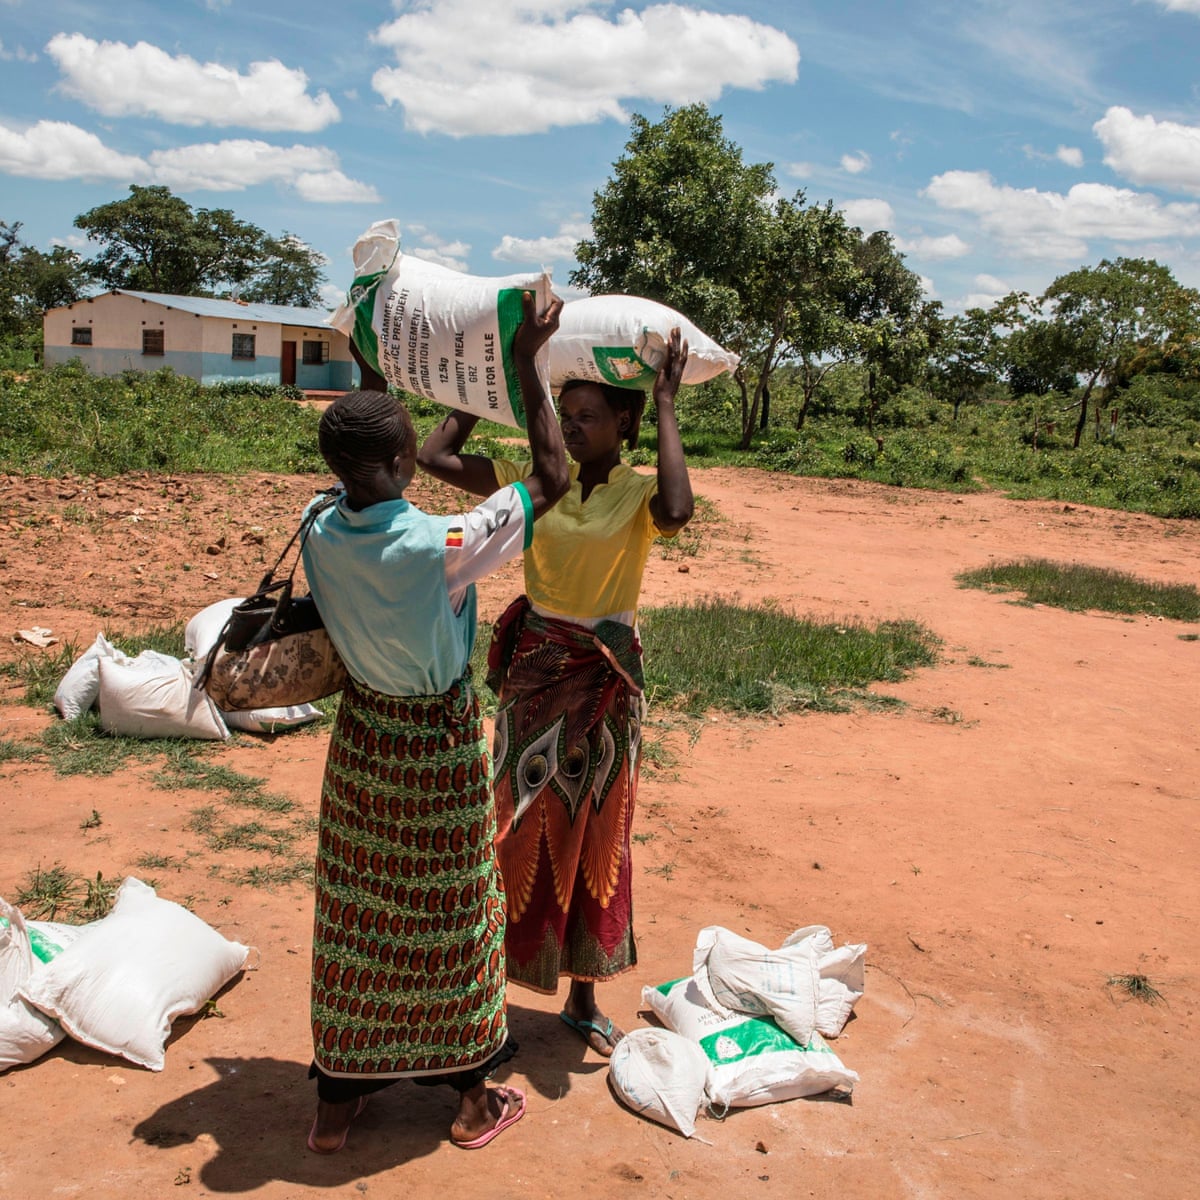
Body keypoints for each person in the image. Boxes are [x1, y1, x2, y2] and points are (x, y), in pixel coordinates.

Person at [299, 292, 568, 1153]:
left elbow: (367, 435)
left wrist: (381, 362)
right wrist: (525, 359)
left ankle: (337, 1105)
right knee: (453, 914)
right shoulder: (442, 551)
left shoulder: (315, 525)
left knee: (359, 913)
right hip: (436, 747)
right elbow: (553, 478)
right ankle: (472, 1099)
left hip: (362, 745)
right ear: (409, 457)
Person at [417, 328, 693, 1056]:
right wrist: (494, 393)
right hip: (536, 673)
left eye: (587, 418)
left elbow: (678, 510)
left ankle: (582, 996)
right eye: (564, 417)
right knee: (515, 827)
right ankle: (490, 996)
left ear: (624, 425)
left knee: (599, 832)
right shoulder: (535, 479)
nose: (571, 429)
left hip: (604, 681)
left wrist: (665, 402)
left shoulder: (636, 494)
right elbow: (434, 457)